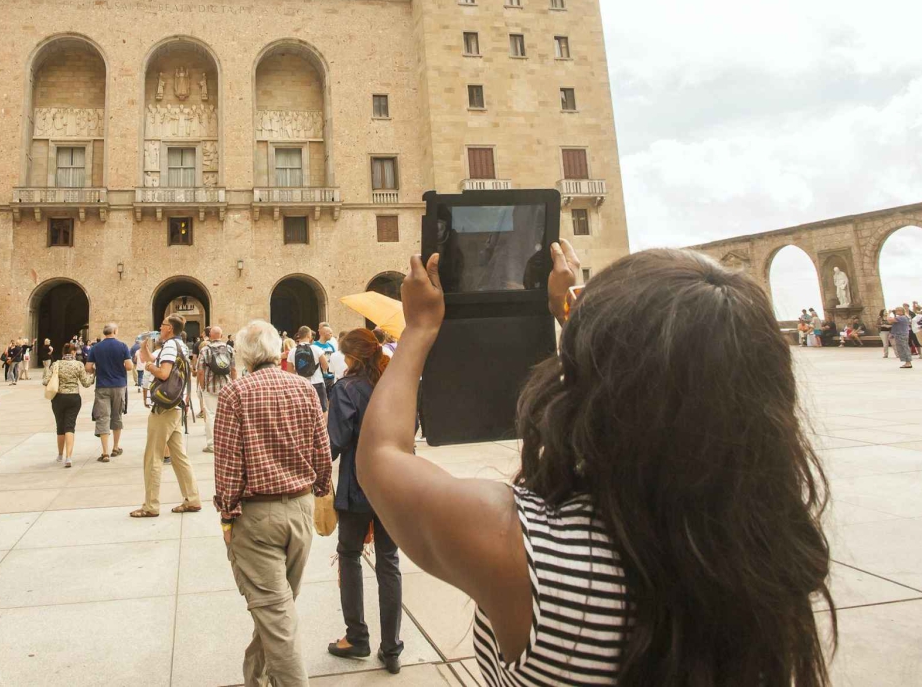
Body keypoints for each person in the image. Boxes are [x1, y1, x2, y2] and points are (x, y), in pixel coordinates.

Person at [356, 244, 835, 687]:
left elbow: (383, 456)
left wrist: (418, 329)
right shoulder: (773, 550)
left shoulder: (520, 549)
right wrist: (577, 314)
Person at [212, 319, 332, 687]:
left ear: (243, 355)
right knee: (278, 610)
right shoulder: (304, 390)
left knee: (277, 618)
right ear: (280, 350)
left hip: (257, 516)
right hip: (300, 509)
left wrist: (228, 517)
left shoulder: (235, 394)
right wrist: (321, 489)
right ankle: (257, 678)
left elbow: (228, 465)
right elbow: (322, 451)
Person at [326, 328, 404, 673]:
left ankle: (357, 636)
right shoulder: (394, 383)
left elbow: (338, 440)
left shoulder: (346, 389)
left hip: (358, 484)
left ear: (353, 357)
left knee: (350, 556)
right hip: (394, 484)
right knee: (389, 562)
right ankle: (391, 649)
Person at [131, 315, 202, 518]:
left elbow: (163, 372)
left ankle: (150, 506)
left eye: (162, 325)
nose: (160, 328)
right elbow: (153, 359)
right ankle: (192, 499)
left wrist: (149, 368)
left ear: (169, 328)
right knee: (179, 456)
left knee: (153, 456)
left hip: (163, 408)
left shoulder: (170, 346)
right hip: (175, 406)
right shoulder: (178, 345)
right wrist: (144, 348)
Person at [87, 323, 134, 462]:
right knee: (117, 415)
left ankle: (105, 452)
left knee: (103, 417)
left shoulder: (96, 347)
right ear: (115, 331)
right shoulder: (123, 346)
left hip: (102, 386)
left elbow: (88, 367)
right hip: (119, 386)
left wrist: (98, 370)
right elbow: (130, 366)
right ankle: (115, 447)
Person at [43, 343, 89, 468]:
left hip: (58, 397)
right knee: (70, 426)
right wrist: (94, 376)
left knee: (60, 426)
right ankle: (68, 457)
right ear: (73, 352)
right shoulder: (78, 365)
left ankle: (59, 455)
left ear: (63, 353)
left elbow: (45, 381)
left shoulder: (56, 364)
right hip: (74, 398)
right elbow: (85, 383)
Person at [195, 324, 236, 453]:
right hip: (227, 386)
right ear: (222, 336)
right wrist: (234, 384)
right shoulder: (229, 349)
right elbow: (233, 369)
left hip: (210, 387)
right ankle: (227, 442)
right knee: (227, 415)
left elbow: (200, 371)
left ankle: (212, 445)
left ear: (209, 336)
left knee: (211, 415)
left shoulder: (205, 350)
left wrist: (202, 386)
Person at [292, 326, 329, 410]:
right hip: (317, 382)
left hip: (300, 384)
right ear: (309, 336)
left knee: (303, 410)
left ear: (299, 336)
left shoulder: (293, 351)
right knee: (322, 409)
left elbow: (290, 372)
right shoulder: (316, 349)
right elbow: (325, 366)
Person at [314, 324, 340, 389]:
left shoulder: (331, 346)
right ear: (325, 333)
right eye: (330, 333)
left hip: (331, 378)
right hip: (319, 378)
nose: (332, 335)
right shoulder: (314, 345)